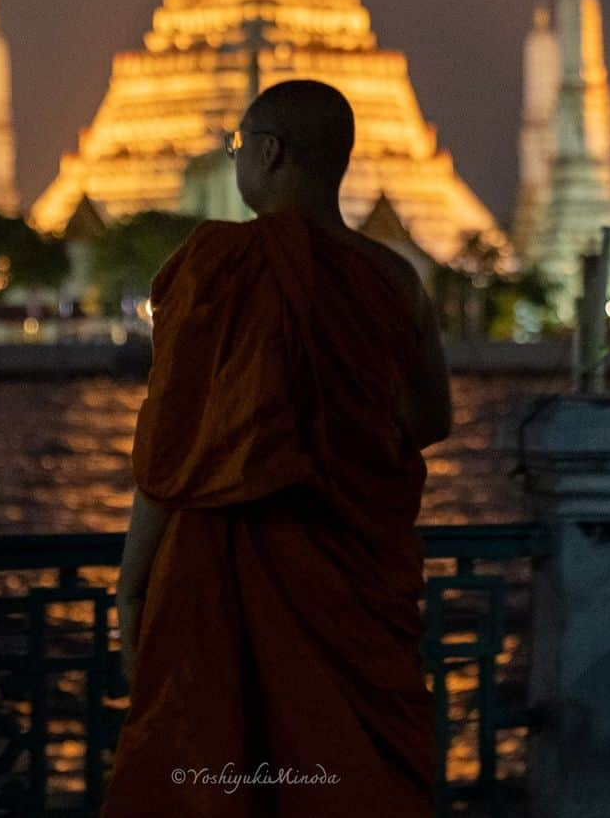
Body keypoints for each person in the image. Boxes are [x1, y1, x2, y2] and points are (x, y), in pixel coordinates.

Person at [101, 79, 451, 817]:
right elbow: (434, 416)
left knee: (212, 769)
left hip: (224, 560)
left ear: (269, 152)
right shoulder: (396, 279)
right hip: (352, 563)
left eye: (238, 149)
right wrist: (339, 443)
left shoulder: (214, 265)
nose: (238, 164)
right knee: (354, 780)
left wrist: (132, 586)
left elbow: (171, 447)